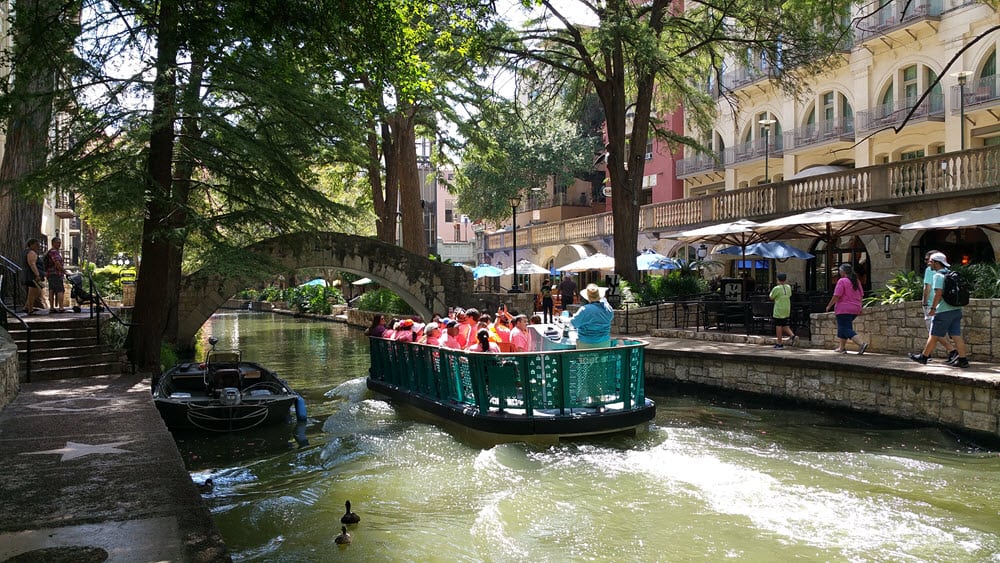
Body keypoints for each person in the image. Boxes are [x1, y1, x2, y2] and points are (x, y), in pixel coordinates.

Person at [909, 252, 970, 368]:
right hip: (956, 310)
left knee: (934, 334)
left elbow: (938, 294)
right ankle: (963, 360)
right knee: (956, 335)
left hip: (943, 310)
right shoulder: (950, 274)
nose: (929, 263)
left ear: (937, 263)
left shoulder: (938, 275)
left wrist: (932, 308)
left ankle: (924, 357)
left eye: (931, 261)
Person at [920, 250, 957, 363]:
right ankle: (927, 354)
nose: (927, 263)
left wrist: (925, 303)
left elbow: (928, 287)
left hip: (933, 304)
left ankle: (952, 351)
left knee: (934, 331)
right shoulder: (947, 271)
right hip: (946, 305)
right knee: (941, 331)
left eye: (929, 260)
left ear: (935, 261)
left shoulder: (931, 271)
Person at [826, 263, 867, 354]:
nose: (839, 272)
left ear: (843, 272)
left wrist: (829, 305)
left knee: (844, 328)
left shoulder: (842, 281)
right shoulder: (856, 281)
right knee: (844, 327)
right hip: (855, 309)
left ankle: (861, 344)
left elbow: (837, 295)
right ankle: (841, 348)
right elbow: (861, 295)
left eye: (840, 271)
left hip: (844, 309)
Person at [571, 283, 613, 349]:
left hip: (586, 343)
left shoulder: (584, 309)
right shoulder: (608, 309)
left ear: (588, 297)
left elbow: (574, 323)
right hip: (604, 343)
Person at [769, 273, 796, 349]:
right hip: (786, 308)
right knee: (784, 324)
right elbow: (790, 295)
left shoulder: (776, 288)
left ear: (778, 279)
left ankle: (779, 343)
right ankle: (792, 336)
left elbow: (771, 297)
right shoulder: (788, 287)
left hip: (779, 309)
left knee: (778, 326)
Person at [22, 239, 45, 315]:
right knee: (33, 292)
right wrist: (37, 275)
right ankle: (30, 309)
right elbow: (32, 264)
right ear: (31, 245)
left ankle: (26, 306)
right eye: (36, 245)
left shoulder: (28, 252)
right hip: (32, 276)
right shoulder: (31, 252)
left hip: (32, 275)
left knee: (37, 291)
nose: (38, 247)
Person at [44, 237, 67, 312]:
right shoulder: (54, 252)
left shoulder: (50, 251)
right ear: (53, 243)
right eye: (57, 242)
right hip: (55, 274)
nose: (59, 244)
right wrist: (64, 271)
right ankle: (61, 307)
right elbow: (57, 263)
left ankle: (52, 307)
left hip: (50, 274)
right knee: (60, 290)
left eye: (60, 242)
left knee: (52, 290)